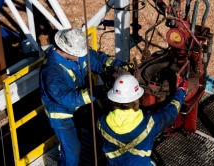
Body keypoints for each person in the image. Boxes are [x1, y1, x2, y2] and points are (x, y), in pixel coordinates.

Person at [39, 28, 130, 166]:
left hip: (81, 107)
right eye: (77, 54)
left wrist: (118, 67)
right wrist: (98, 91)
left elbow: (98, 60)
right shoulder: (51, 71)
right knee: (72, 153)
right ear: (64, 50)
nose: (80, 56)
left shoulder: (76, 54)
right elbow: (67, 99)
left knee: (97, 136)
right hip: (62, 116)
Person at [96, 74, 188, 166]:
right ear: (136, 99)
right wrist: (181, 91)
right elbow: (170, 112)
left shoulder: (101, 122)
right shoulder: (149, 123)